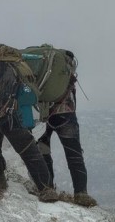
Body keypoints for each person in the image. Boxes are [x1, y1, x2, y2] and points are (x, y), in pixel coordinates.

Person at [0, 45, 58, 202]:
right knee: (1, 151)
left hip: (7, 115)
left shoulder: (4, 70)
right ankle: (4, 183)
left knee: (20, 150)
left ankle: (46, 189)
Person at [36, 59, 97, 207]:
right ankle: (81, 193)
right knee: (74, 154)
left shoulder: (37, 68)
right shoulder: (64, 69)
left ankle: (48, 188)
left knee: (43, 150)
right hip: (65, 113)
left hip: (41, 114)